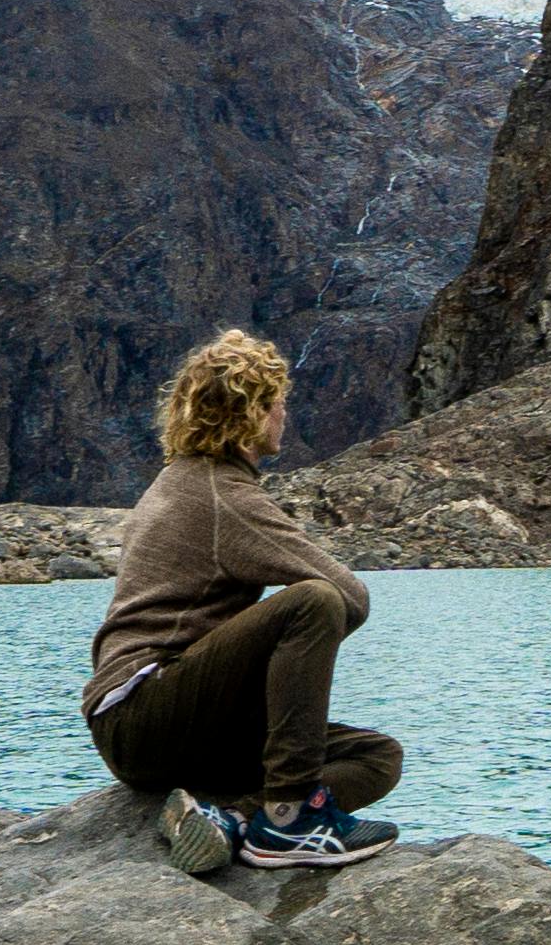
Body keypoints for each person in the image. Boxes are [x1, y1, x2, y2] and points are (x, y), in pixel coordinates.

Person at [87, 327, 405, 873]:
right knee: (314, 602)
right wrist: (284, 658)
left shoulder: (181, 480)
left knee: (375, 757)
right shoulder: (222, 494)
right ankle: (288, 822)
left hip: (155, 726)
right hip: (146, 713)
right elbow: (350, 596)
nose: (284, 416)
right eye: (278, 403)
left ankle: (229, 819)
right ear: (252, 413)